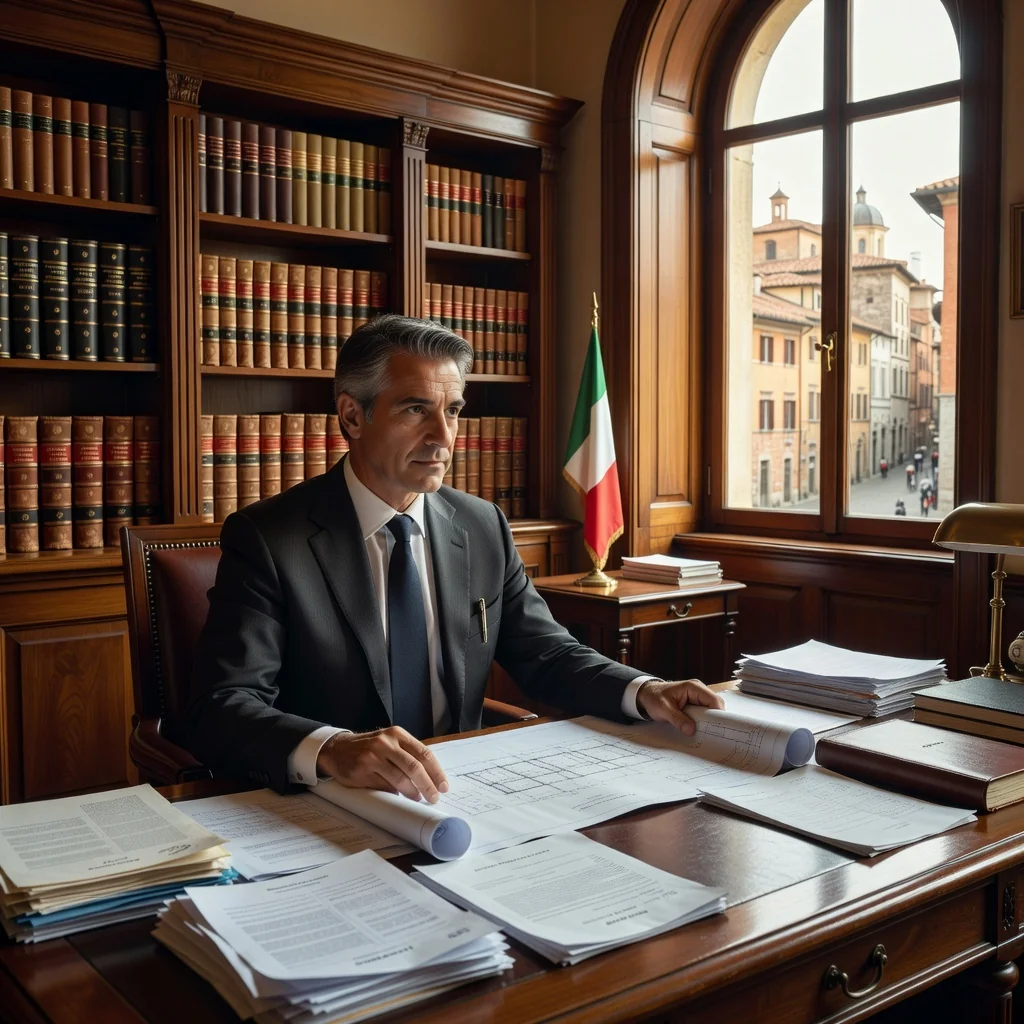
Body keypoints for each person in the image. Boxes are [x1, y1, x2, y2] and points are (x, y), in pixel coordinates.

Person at [187, 315, 723, 801]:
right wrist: (333, 749)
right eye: (415, 408)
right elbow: (223, 705)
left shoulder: (481, 525)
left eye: (453, 410)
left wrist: (644, 689)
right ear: (352, 416)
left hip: (465, 793)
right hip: (334, 804)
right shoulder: (269, 538)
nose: (444, 437)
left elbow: (548, 655)